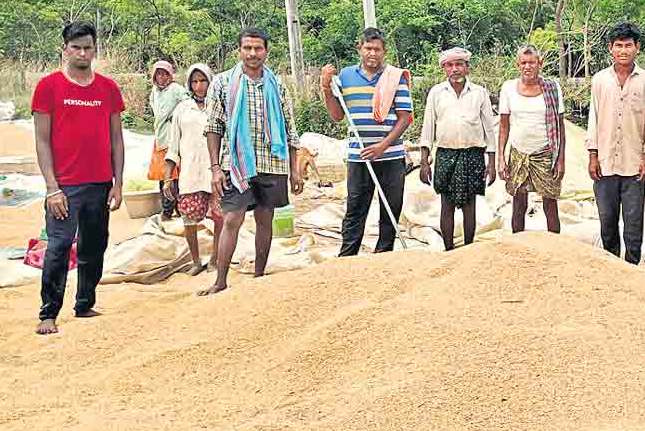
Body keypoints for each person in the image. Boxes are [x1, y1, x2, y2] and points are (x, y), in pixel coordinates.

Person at [31, 22, 126, 335]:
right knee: (58, 247)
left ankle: (84, 303)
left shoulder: (108, 88)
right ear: (65, 50)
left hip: (99, 183)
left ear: (95, 49)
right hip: (64, 187)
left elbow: (117, 138)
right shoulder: (49, 87)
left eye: (87, 47)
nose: (82, 53)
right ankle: (49, 313)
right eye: (76, 47)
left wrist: (119, 181)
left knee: (94, 245)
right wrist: (51, 188)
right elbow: (42, 141)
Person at [199, 27, 304, 296]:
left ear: (266, 52)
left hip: (272, 161)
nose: (253, 53)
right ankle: (221, 280)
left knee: (265, 219)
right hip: (235, 163)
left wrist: (295, 170)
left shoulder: (277, 84)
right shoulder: (222, 83)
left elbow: (290, 129)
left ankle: (259, 275)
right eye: (247, 48)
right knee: (231, 218)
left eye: (258, 48)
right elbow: (213, 127)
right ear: (239, 50)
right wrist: (214, 168)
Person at [320, 27, 413, 256]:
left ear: (384, 52)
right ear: (359, 49)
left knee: (390, 208)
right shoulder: (346, 77)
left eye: (377, 49)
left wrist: (383, 146)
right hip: (358, 155)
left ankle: (383, 255)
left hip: (390, 156)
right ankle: (348, 257)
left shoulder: (394, 77)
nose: (372, 54)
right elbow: (337, 115)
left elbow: (405, 118)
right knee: (355, 208)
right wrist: (325, 88)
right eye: (368, 48)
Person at [587, 22, 645, 265]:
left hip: (634, 164)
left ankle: (632, 268)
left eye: (628, 45)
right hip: (605, 162)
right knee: (607, 220)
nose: (623, 50)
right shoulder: (600, 80)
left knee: (633, 221)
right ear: (611, 48)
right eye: (619, 45)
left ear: (637, 48)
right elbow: (593, 119)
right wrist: (593, 156)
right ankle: (611, 268)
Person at [418, 47, 497, 251]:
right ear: (444, 68)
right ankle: (448, 250)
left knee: (470, 204)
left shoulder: (479, 93)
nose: (455, 69)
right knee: (447, 203)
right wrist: (424, 161)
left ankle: (469, 249)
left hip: (473, 154)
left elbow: (489, 130)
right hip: (446, 154)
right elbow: (428, 127)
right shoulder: (436, 93)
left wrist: (492, 164)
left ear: (467, 67)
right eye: (450, 65)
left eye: (459, 64)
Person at [499, 45, 567, 234]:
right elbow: (504, 125)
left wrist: (560, 160)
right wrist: (501, 158)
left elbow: (560, 127)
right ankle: (518, 246)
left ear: (540, 64)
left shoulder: (552, 89)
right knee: (518, 204)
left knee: (550, 205)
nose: (527, 67)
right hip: (518, 152)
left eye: (532, 62)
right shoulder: (508, 88)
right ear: (518, 64)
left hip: (546, 153)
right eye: (523, 63)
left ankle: (555, 246)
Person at [164, 64, 221, 275]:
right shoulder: (182, 109)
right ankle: (196, 261)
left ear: (210, 82)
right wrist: (168, 177)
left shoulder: (218, 107)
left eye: (203, 81)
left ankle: (215, 259)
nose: (199, 86)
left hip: (215, 172)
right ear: (189, 84)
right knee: (189, 217)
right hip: (190, 172)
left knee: (219, 217)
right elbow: (173, 146)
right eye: (195, 82)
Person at [147, 60, 189, 221]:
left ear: (170, 75)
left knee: (174, 175)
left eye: (165, 73)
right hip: (160, 138)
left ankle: (173, 209)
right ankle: (168, 209)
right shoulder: (154, 92)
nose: (162, 77)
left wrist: (175, 117)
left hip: (174, 139)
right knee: (162, 176)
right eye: (158, 73)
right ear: (154, 76)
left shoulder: (177, 90)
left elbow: (187, 104)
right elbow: (156, 111)